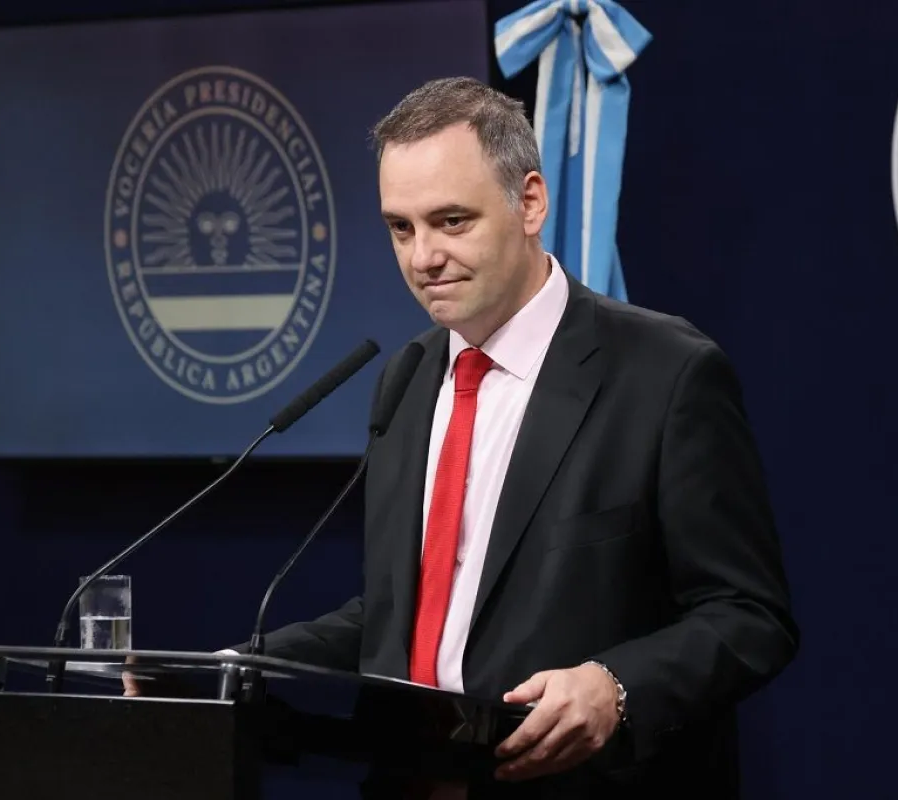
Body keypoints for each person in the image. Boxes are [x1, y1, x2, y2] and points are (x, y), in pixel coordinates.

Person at [126, 76, 798, 797]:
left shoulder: (664, 372)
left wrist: (617, 685)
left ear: (530, 202)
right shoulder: (409, 377)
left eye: (451, 221)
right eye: (401, 228)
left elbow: (748, 616)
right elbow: (401, 614)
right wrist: (235, 670)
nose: (423, 257)